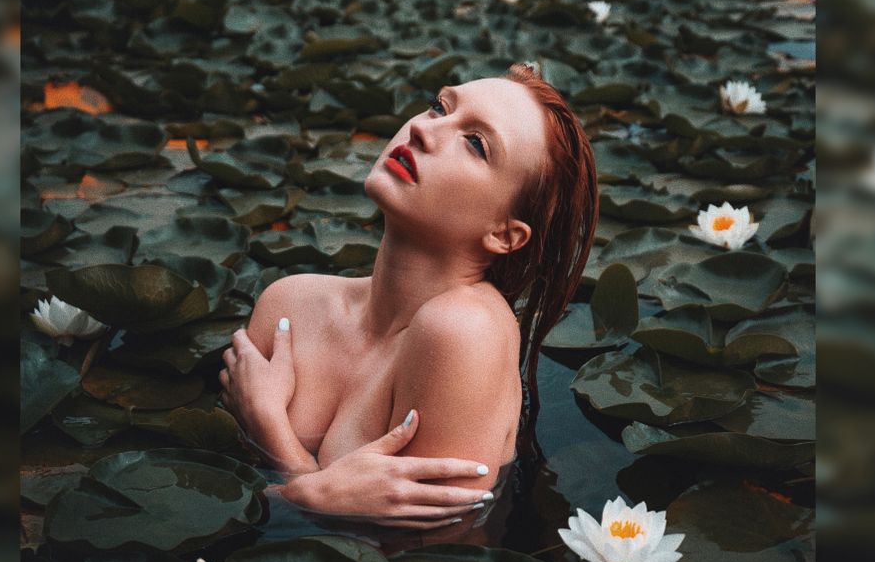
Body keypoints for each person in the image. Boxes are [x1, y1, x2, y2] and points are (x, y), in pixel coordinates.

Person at [218, 62, 598, 531]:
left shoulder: (464, 330)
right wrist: (310, 489)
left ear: (504, 234)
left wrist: (277, 442)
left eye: (476, 143)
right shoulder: (289, 304)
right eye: (440, 106)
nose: (422, 129)